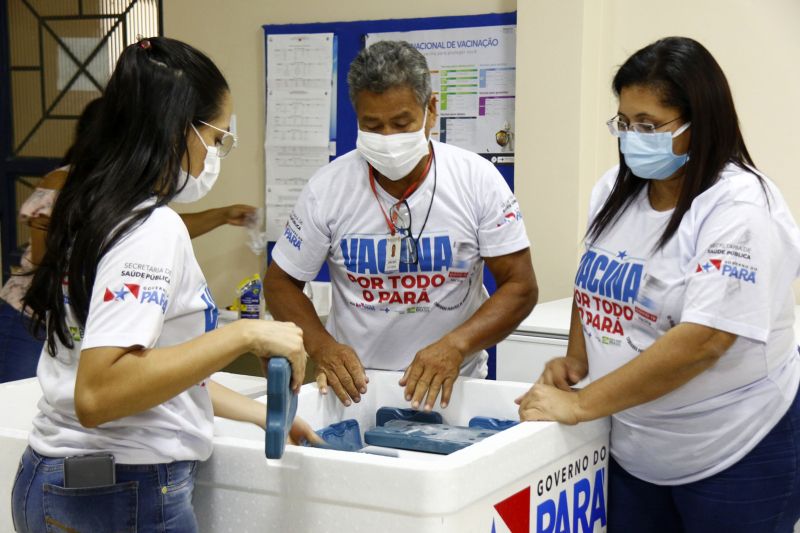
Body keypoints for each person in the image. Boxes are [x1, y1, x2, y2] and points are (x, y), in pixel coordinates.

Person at [11, 37, 317, 533]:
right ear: (182, 131)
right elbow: (100, 393)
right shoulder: (151, 228)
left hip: (56, 478)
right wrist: (244, 335)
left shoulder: (92, 209)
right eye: (216, 139)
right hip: (121, 491)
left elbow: (150, 372)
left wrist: (257, 414)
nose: (214, 156)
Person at [515, 36, 800, 532]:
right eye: (623, 123)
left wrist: (581, 403)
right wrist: (578, 357)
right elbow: (596, 277)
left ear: (700, 122)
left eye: (648, 126)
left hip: (736, 448)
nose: (630, 138)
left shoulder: (740, 209)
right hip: (636, 443)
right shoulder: (614, 189)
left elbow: (705, 341)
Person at [264, 40, 538, 411]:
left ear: (431, 111)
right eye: (372, 126)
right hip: (356, 390)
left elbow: (520, 286)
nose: (388, 138)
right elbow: (281, 283)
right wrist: (322, 346)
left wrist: (456, 345)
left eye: (402, 122)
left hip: (453, 388)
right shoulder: (327, 189)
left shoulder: (477, 180)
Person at [0, 98, 257, 384]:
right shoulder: (64, 182)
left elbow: (144, 226)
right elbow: (41, 261)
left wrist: (221, 215)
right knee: (15, 404)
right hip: (34, 311)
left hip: (82, 316)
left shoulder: (129, 196)